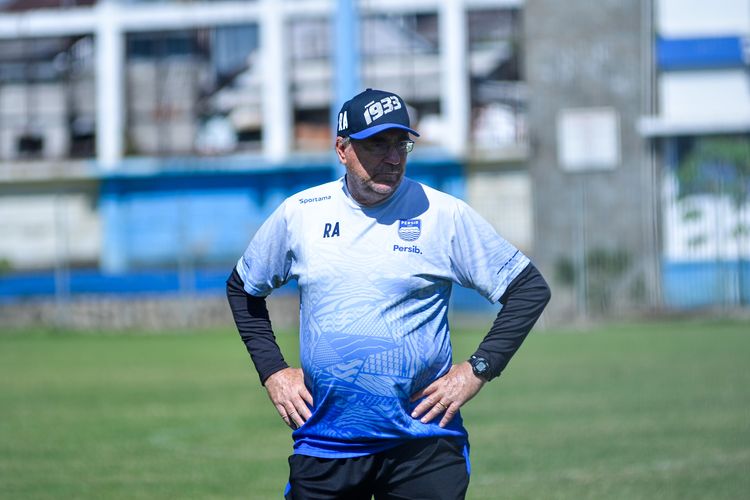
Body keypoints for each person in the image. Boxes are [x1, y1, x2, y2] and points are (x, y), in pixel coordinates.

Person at [226, 88, 550, 499]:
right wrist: (273, 371)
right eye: (377, 144)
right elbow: (243, 287)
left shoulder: (442, 215)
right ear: (342, 149)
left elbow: (527, 288)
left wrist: (478, 368)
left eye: (401, 144)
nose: (393, 158)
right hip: (327, 444)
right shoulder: (300, 214)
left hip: (424, 445)